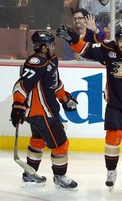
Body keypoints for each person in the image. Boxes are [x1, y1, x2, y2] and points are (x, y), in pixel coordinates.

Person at [56, 25, 122, 192]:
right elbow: (85, 50)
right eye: (120, 40)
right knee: (112, 137)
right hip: (115, 104)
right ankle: (111, 172)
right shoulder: (108, 49)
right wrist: (72, 38)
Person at [10, 30, 78, 190]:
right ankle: (60, 177)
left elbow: (55, 82)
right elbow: (21, 85)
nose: (54, 47)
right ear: (43, 46)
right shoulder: (36, 62)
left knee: (38, 141)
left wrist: (65, 98)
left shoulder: (51, 60)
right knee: (61, 145)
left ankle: (29, 175)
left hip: (39, 114)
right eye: (51, 44)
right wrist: (18, 106)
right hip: (42, 113)